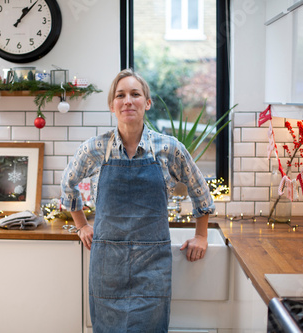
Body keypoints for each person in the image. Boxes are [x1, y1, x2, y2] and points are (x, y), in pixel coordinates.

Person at [60, 69, 215, 332]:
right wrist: (82, 225)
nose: (128, 101)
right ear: (112, 105)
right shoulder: (95, 148)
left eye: (135, 94)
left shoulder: (169, 148)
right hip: (108, 265)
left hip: (152, 265)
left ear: (147, 102)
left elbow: (199, 188)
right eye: (120, 95)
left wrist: (201, 235)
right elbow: (68, 184)